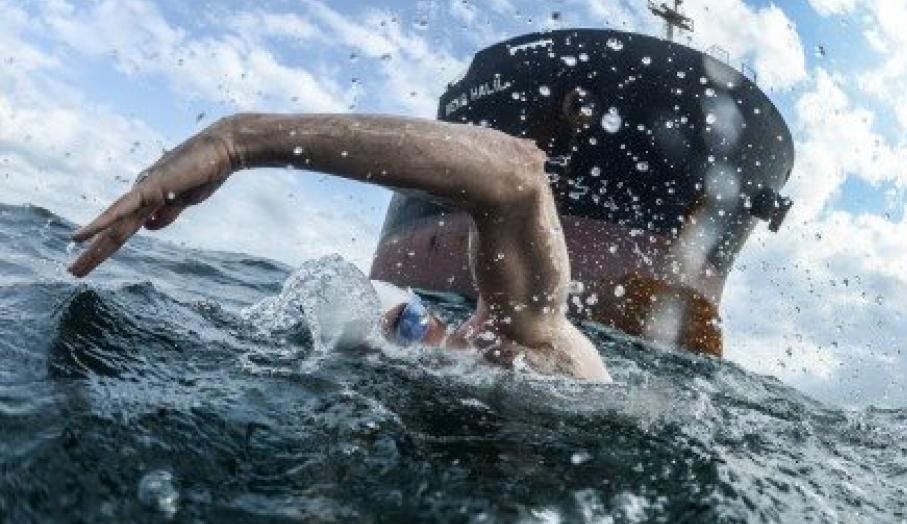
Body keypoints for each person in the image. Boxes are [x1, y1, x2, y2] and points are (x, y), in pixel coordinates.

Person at [68, 113, 612, 382]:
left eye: (410, 323)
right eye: (389, 341)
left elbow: (516, 173)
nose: (411, 346)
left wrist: (235, 142)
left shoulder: (524, 346)